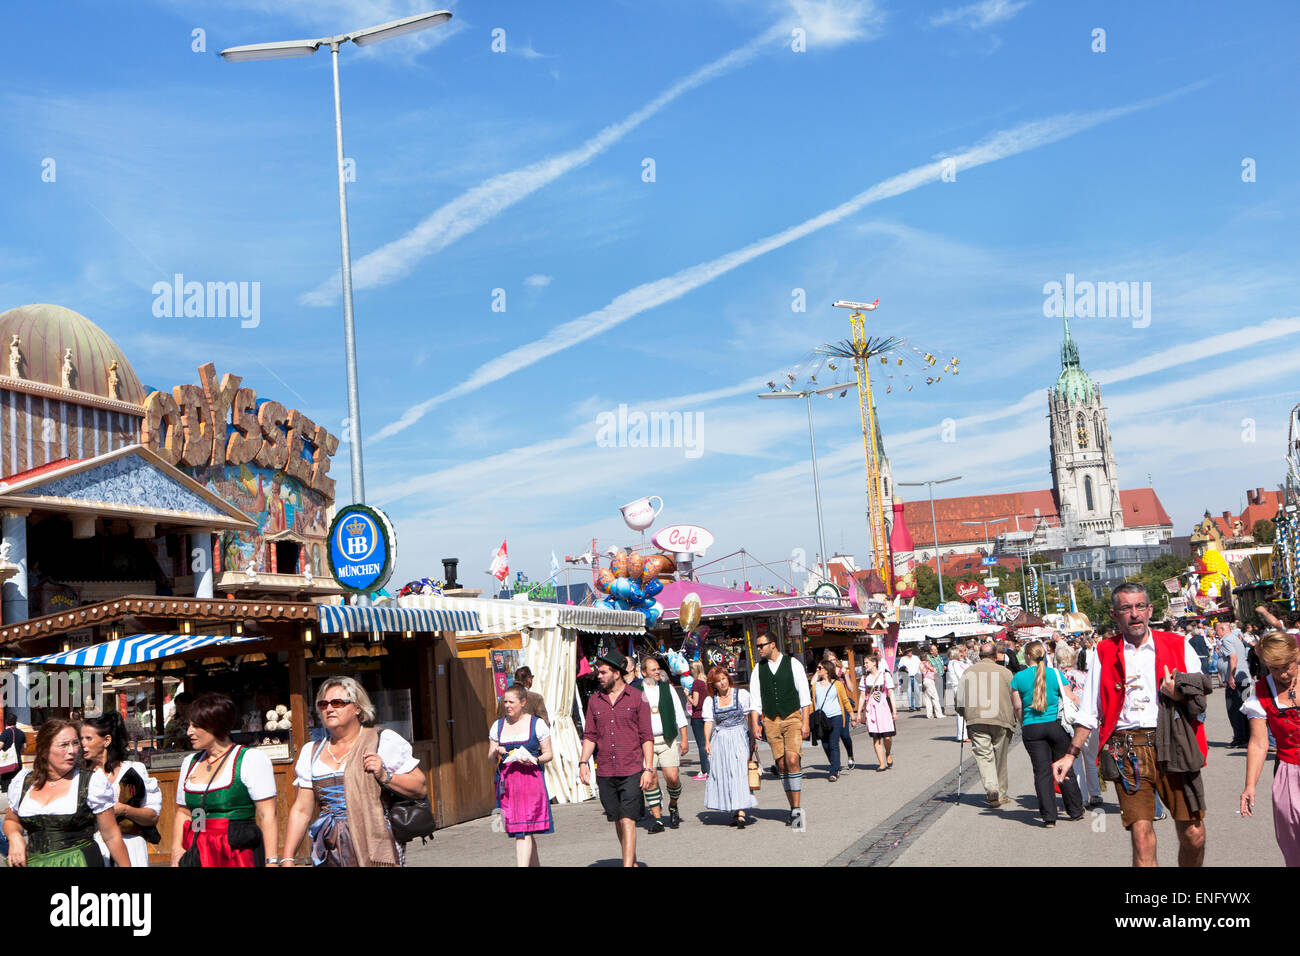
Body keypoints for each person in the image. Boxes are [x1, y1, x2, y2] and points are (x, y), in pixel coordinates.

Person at [1053, 583, 1210, 867]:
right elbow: (1089, 711)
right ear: (1115, 614)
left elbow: (1200, 694)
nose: (1134, 614)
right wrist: (1070, 753)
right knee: (1141, 836)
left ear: (1150, 610)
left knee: (1194, 834)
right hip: (1128, 750)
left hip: (1174, 744)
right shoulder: (1104, 651)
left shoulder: (1177, 644)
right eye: (1126, 608)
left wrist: (1178, 694)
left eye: (1140, 607)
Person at [283, 677, 425, 867]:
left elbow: (420, 787)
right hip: (329, 846)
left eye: (338, 703)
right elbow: (302, 810)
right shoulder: (312, 752)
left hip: (374, 840)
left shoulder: (382, 741)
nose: (329, 709)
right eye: (323, 704)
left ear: (357, 708)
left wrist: (385, 776)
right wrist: (287, 857)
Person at [3, 719, 131, 867]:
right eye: (64, 745)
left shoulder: (90, 782)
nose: (72, 751)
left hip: (79, 862)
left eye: (75, 743)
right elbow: (11, 820)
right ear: (44, 750)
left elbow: (111, 835)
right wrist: (14, 837)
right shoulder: (24, 783)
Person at [171, 693, 279, 867]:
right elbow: (186, 812)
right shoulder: (190, 763)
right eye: (189, 725)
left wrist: (272, 861)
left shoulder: (250, 759)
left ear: (215, 725)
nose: (189, 731)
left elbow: (267, 815)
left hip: (237, 853)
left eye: (196, 725)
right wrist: (178, 853)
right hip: (199, 852)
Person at [579, 650, 654, 867]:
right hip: (605, 769)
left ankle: (627, 864)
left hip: (631, 768)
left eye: (603, 672)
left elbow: (646, 736)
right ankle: (629, 858)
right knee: (617, 819)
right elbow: (590, 735)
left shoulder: (638, 696)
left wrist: (648, 768)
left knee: (628, 819)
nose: (598, 676)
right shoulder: (594, 700)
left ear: (616, 674)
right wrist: (583, 762)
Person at [1240, 631, 1300, 865]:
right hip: (1289, 772)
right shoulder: (1261, 691)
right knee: (1294, 842)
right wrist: (1250, 785)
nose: (1282, 674)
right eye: (1274, 669)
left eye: (1287, 666)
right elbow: (1258, 742)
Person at [1012, 641, 1084, 826]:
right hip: (1056, 725)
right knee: (1063, 766)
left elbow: (1018, 706)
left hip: (1032, 727)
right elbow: (1071, 697)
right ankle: (1075, 810)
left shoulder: (1018, 678)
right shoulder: (1056, 674)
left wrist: (1024, 724)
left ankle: (1049, 817)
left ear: (1028, 656)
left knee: (1042, 772)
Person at [80, 712, 162, 867]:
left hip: (131, 847)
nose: (82, 743)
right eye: (81, 738)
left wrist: (124, 810)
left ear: (106, 740)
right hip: (94, 850)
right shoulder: (80, 776)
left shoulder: (133, 772)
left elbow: (152, 817)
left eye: (88, 738)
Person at [748, 634, 811, 827]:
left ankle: (798, 810)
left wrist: (806, 722)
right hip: (770, 720)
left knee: (793, 759)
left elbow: (805, 696)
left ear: (773, 645)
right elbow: (755, 701)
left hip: (792, 717)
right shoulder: (759, 669)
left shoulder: (793, 664)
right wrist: (755, 725)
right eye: (757, 646)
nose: (758, 649)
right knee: (782, 765)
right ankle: (792, 806)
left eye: (761, 645)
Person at [487, 684, 552, 867]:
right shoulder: (498, 725)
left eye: (511, 702)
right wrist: (496, 751)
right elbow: (491, 759)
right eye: (505, 701)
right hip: (507, 783)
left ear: (523, 702)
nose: (507, 705)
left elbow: (548, 754)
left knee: (523, 831)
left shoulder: (536, 724)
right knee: (524, 831)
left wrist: (535, 759)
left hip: (530, 781)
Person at [956, 643, 1015, 808]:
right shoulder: (1005, 673)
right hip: (1001, 719)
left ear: (979, 656)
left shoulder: (968, 672)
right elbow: (1014, 697)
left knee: (983, 755)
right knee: (1000, 757)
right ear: (996, 656)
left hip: (977, 719)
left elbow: (959, 700)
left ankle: (991, 787)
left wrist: (963, 713)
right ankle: (1001, 793)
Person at [638, 655, 689, 832]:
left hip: (667, 739)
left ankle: (673, 805)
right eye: (653, 669)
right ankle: (658, 819)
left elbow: (679, 714)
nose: (658, 671)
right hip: (646, 742)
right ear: (643, 672)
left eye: (658, 668)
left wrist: (684, 739)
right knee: (650, 779)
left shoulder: (668, 688)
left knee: (672, 778)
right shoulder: (637, 690)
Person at [702, 666, 757, 827]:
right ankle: (734, 809)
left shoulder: (742, 695)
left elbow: (748, 717)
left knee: (739, 772)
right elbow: (708, 722)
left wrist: (752, 738)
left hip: (739, 735)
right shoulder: (710, 701)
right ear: (714, 685)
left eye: (724, 678)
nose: (722, 683)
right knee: (726, 773)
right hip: (721, 738)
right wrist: (707, 741)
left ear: (728, 678)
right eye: (718, 681)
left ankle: (741, 812)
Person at [1057, 643, 1101, 809]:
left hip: (1068, 721)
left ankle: (1082, 796)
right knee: (1090, 759)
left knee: (1074, 761)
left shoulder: (1058, 677)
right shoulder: (1085, 675)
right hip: (1089, 720)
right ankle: (1095, 793)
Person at [812, 660, 855, 781]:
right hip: (821, 719)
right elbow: (813, 703)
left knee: (833, 743)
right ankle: (835, 765)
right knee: (825, 744)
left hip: (836, 716)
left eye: (819, 668)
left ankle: (834, 771)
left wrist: (852, 715)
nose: (817, 670)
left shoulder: (837, 684)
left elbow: (845, 700)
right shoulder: (816, 685)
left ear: (826, 669)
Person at [856, 654, 896, 771]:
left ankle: (888, 753)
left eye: (866, 662)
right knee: (876, 738)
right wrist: (859, 713)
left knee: (887, 737)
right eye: (864, 663)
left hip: (884, 709)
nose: (865, 665)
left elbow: (891, 693)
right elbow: (862, 697)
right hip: (871, 710)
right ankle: (882, 763)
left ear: (874, 662)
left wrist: (894, 710)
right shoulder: (865, 678)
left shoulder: (885, 675)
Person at [1215, 620, 1251, 747]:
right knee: (1245, 709)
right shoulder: (1234, 638)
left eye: (1217, 630)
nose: (1216, 633)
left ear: (1223, 629)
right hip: (1243, 678)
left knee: (1235, 710)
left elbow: (1233, 657)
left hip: (1236, 680)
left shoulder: (1226, 640)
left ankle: (1240, 738)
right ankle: (1246, 737)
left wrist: (1230, 676)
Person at [687, 661, 710, 780]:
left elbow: (695, 702)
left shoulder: (696, 683)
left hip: (697, 715)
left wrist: (687, 695)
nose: (690, 671)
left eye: (691, 669)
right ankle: (711, 768)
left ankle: (705, 770)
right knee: (708, 743)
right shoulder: (706, 682)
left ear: (695, 670)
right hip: (707, 715)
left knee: (701, 745)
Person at [948, 644, 974, 742]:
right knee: (961, 713)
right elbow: (961, 675)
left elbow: (970, 666)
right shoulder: (954, 663)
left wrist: (966, 659)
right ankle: (962, 735)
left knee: (964, 712)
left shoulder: (959, 662)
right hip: (959, 687)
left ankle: (965, 734)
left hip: (962, 687)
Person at [0, 711, 27, 792]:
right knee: (16, 788)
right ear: (15, 722)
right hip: (17, 763)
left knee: (8, 788)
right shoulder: (21, 733)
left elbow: (0, 746)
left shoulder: (5, 733)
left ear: (6, 722)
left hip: (7, 763)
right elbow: (23, 748)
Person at [918, 654, 944, 718]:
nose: (929, 657)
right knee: (935, 697)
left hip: (924, 680)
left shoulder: (920, 664)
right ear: (925, 657)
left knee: (928, 699)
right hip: (929, 680)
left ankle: (929, 715)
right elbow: (934, 670)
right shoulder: (926, 663)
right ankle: (939, 714)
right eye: (927, 656)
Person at [927, 644, 948, 716]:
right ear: (931, 651)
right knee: (935, 695)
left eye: (936, 649)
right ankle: (936, 711)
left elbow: (943, 664)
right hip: (934, 678)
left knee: (941, 694)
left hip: (942, 677)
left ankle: (942, 710)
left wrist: (945, 666)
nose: (936, 651)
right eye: (934, 649)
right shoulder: (928, 659)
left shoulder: (939, 657)